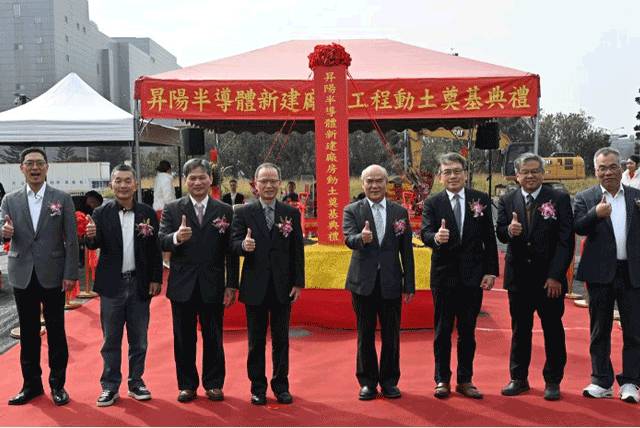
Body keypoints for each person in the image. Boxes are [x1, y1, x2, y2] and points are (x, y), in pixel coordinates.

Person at [1, 147, 79, 406]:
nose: (35, 168)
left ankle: (58, 385)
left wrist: (70, 273)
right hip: (22, 273)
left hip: (53, 274)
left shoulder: (62, 199)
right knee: (29, 332)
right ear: (21, 168)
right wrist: (5, 233)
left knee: (56, 330)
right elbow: (3, 231)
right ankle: (31, 385)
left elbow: (71, 240)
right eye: (29, 163)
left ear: (47, 167)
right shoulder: (9, 200)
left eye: (39, 163)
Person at [159, 159, 239, 403]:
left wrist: (231, 284)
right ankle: (187, 385)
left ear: (210, 179)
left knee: (213, 336)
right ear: (184, 181)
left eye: (202, 177)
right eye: (192, 178)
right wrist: (176, 238)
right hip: (182, 285)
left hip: (213, 284)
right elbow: (160, 240)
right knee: (184, 338)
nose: (197, 182)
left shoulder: (224, 210)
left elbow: (231, 251)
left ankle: (214, 383)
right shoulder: (172, 209)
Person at [496, 153, 574, 401]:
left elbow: (565, 241)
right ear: (516, 175)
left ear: (543, 174)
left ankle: (553, 380)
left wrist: (555, 276)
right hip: (519, 278)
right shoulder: (507, 199)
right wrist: (509, 230)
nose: (529, 176)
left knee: (552, 328)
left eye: (534, 171)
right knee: (520, 330)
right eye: (524, 172)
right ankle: (518, 378)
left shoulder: (559, 199)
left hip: (548, 280)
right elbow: (500, 233)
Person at [421, 152, 498, 400]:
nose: (452, 176)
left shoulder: (481, 200)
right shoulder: (433, 203)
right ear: (440, 176)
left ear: (465, 173)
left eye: (457, 171)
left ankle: (465, 380)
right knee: (443, 331)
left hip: (472, 277)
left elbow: (489, 239)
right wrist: (435, 238)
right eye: (447, 172)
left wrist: (490, 271)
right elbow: (425, 232)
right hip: (444, 278)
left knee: (468, 331)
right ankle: (442, 379)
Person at [85, 164, 162, 407]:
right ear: (111, 185)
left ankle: (136, 381)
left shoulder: (147, 213)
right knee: (111, 340)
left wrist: (156, 278)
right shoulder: (101, 213)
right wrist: (88, 235)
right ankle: (109, 386)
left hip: (139, 284)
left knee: (139, 339)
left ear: (136, 184)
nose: (123, 185)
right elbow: (93, 244)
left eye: (128, 180)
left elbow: (155, 250)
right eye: (118, 181)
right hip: (111, 286)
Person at [230, 163, 304, 406]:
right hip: (255, 286)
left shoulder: (290, 213)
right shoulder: (243, 212)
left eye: (273, 181)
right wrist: (243, 246)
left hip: (282, 286)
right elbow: (232, 244)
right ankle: (258, 387)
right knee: (256, 341)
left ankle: (281, 385)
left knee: (281, 339)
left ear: (280, 183)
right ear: (256, 185)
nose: (269, 185)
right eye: (264, 181)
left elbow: (297, 251)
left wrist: (298, 282)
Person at [343, 164, 415, 400]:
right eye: (369, 181)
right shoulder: (352, 210)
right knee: (365, 334)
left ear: (386, 183)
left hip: (392, 282)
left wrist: (409, 285)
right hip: (363, 284)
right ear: (362, 184)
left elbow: (406, 251)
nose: (374, 185)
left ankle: (390, 381)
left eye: (379, 181)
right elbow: (348, 238)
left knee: (391, 335)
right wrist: (361, 238)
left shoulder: (399, 212)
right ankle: (367, 382)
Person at [574, 147, 640, 404]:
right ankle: (601, 380)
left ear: (621, 168)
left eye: (613, 167)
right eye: (603, 168)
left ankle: (631, 382)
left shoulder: (635, 196)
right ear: (595, 171)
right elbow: (578, 226)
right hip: (600, 274)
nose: (608, 172)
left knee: (634, 331)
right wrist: (595, 215)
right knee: (599, 330)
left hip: (632, 272)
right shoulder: (586, 197)